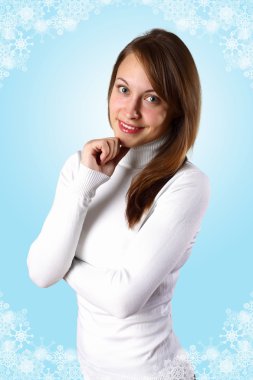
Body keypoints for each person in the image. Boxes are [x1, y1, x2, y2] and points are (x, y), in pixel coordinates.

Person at [27, 28, 210, 380]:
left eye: (152, 98)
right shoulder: (82, 168)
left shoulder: (186, 184)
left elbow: (123, 300)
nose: (130, 110)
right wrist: (84, 184)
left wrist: (64, 263)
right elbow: (39, 273)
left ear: (177, 109)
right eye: (123, 89)